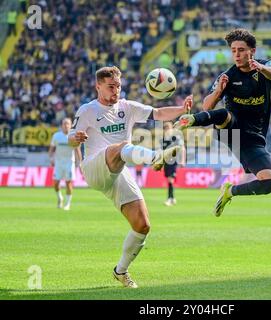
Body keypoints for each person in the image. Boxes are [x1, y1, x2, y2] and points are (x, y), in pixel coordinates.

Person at [68, 66, 192, 288]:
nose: (115, 91)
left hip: (117, 171)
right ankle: (155, 157)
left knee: (142, 225)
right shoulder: (87, 110)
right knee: (122, 147)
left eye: (118, 86)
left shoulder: (127, 107)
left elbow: (159, 113)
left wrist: (182, 108)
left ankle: (120, 271)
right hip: (94, 168)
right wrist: (75, 137)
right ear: (98, 86)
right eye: (110, 87)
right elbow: (71, 137)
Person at [175, 29, 271, 217]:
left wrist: (261, 69)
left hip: (252, 139)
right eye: (233, 50)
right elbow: (207, 106)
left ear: (252, 51)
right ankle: (190, 120)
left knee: (270, 183)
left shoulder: (265, 66)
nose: (237, 55)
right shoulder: (228, 76)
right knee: (224, 114)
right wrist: (217, 92)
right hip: (231, 129)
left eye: (241, 50)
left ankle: (229, 191)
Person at [49, 118, 81, 211]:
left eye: (68, 124)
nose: (66, 125)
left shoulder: (73, 136)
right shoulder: (56, 136)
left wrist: (80, 162)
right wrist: (51, 158)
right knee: (56, 183)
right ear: (61, 125)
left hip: (69, 163)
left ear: (71, 125)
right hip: (58, 163)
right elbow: (51, 149)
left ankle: (67, 204)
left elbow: (77, 149)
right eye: (64, 124)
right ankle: (60, 197)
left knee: (68, 183)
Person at [161, 121, 186, 206]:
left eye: (168, 128)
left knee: (170, 179)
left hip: (173, 161)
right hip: (166, 162)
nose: (167, 130)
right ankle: (172, 198)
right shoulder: (163, 139)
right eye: (165, 128)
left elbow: (182, 148)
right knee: (169, 180)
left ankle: (169, 199)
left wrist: (182, 160)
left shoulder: (176, 137)